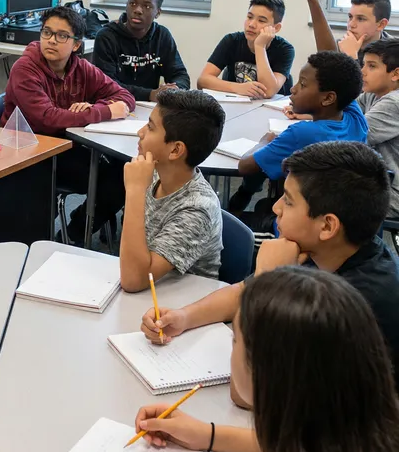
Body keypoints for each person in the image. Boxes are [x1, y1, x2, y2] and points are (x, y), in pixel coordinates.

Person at [135, 268, 399, 452]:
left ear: (265, 373)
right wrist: (208, 435)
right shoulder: (371, 444)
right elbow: (317, 449)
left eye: (235, 340)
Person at [140, 141, 399, 390]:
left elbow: (250, 389)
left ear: (328, 226)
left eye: (287, 200)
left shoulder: (357, 305)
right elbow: (241, 291)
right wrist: (184, 317)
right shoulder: (325, 248)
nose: (275, 207)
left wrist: (267, 280)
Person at [2, 5, 136, 244]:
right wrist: (104, 111)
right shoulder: (25, 68)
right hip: (30, 152)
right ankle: (74, 232)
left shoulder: (80, 67)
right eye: (47, 32)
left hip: (65, 146)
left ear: (76, 45)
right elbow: (47, 118)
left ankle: (74, 231)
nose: (52, 41)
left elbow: (125, 97)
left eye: (62, 36)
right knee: (113, 179)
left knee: (126, 172)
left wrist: (92, 108)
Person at [231, 50, 367, 225]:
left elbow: (245, 166)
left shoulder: (301, 134)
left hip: (295, 226)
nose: (293, 89)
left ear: (328, 98)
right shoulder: (357, 120)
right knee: (263, 204)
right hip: (335, 219)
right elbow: (341, 75)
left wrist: (264, 142)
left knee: (232, 225)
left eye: (302, 84)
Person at [120, 89, 225, 292]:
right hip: (150, 296)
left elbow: (133, 281)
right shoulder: (154, 174)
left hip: (181, 307)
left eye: (150, 127)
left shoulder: (197, 209)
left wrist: (134, 191)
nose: (140, 132)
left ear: (176, 150)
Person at [92, 0, 190, 101]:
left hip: (150, 109)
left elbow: (180, 74)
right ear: (126, 5)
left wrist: (175, 89)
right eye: (133, 3)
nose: (138, 10)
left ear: (158, 12)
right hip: (115, 104)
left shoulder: (162, 36)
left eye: (147, 6)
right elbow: (105, 85)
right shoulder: (107, 37)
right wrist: (150, 94)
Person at [198, 0, 294, 99]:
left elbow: (268, 91)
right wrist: (238, 88)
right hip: (236, 106)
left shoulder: (285, 49)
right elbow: (202, 81)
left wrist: (260, 47)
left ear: (276, 28)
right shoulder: (231, 41)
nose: (252, 24)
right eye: (249, 17)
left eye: (261, 20)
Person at [359, 39, 399, 221]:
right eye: (363, 64)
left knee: (322, 193)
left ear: (395, 74)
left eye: (372, 66)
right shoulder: (372, 94)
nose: (362, 71)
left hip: (392, 192)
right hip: (377, 180)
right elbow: (341, 112)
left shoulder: (394, 102)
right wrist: (308, 114)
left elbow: (354, 134)